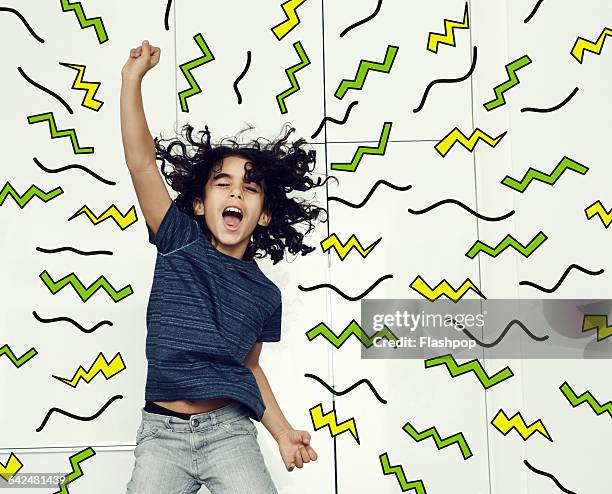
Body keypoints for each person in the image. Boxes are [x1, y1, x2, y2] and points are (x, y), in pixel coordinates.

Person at [121, 40, 334, 493]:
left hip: (229, 433)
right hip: (161, 436)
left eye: (250, 188)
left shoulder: (264, 295)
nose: (236, 193)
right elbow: (141, 162)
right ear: (199, 203)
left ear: (265, 213)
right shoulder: (178, 240)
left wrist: (282, 432)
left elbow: (251, 369)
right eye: (224, 184)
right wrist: (132, 81)